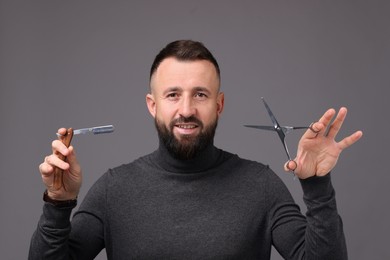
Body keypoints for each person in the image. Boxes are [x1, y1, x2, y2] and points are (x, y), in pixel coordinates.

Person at [29, 40, 363, 259]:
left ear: (219, 104)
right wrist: (58, 205)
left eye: (200, 95)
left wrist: (318, 187)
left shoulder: (260, 186)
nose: (186, 109)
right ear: (152, 105)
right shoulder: (114, 190)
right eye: (173, 94)